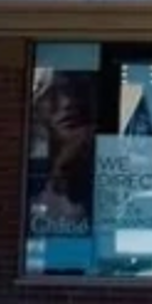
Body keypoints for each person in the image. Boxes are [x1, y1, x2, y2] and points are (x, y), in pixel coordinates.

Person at [29, 72, 97, 232]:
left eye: (77, 92)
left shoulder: (98, 160)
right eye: (55, 93)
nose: (68, 103)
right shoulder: (31, 170)